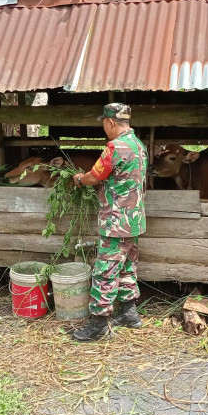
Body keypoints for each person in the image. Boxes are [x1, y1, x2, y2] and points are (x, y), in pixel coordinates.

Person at [72, 103, 148, 342]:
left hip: (116, 221)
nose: (104, 128)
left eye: (104, 123)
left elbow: (95, 176)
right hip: (134, 220)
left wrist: (79, 179)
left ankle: (99, 324)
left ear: (111, 122)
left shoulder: (115, 147)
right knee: (126, 267)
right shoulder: (139, 145)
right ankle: (129, 313)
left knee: (105, 271)